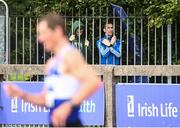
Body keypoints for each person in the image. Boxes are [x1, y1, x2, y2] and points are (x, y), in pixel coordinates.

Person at [4, 14, 100, 127]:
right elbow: (45, 99)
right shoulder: (51, 63)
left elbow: (94, 82)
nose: (40, 38)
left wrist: (68, 105)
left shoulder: (70, 55)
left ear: (58, 31)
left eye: (44, 33)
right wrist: (21, 94)